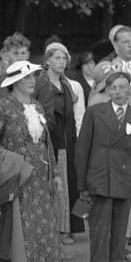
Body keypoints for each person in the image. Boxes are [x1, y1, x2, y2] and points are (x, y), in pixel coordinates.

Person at [0, 61, 63, 262]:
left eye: (33, 77)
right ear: (14, 82)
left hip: (38, 180)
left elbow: (46, 143)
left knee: (31, 230)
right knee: (13, 229)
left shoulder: (37, 106)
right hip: (15, 178)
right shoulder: (2, 108)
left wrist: (55, 174)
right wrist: (12, 161)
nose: (32, 81)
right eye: (26, 78)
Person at [76, 72, 131, 262]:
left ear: (130, 90)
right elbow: (82, 149)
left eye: (123, 87)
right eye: (114, 87)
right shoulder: (94, 112)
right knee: (99, 225)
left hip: (126, 177)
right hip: (100, 176)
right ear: (108, 90)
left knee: (120, 224)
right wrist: (82, 183)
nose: (118, 92)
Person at [42, 42, 82, 244]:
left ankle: (68, 226)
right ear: (47, 60)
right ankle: (57, 228)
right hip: (52, 141)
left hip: (68, 140)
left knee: (69, 185)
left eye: (64, 58)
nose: (61, 61)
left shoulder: (67, 85)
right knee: (57, 186)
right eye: (57, 58)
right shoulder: (42, 84)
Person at [0, 33, 54, 128]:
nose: (20, 57)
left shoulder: (41, 84)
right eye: (15, 53)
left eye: (23, 53)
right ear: (6, 55)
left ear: (28, 54)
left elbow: (48, 120)